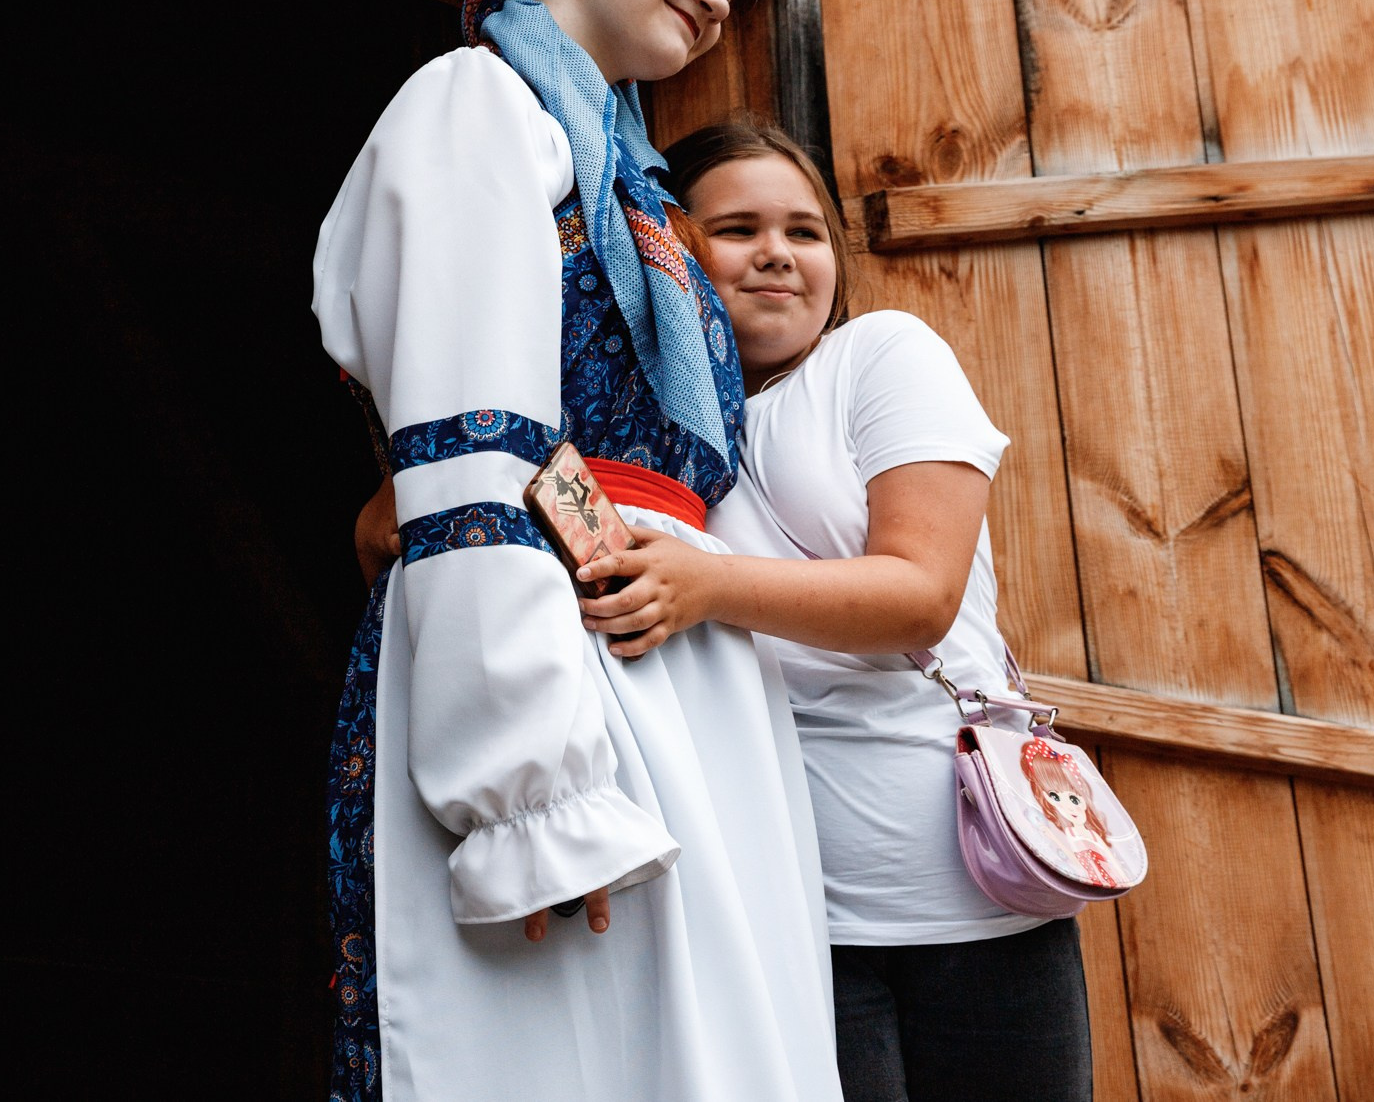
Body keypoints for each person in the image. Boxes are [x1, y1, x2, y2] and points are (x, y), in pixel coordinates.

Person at [357, 121, 1093, 1102]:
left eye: (806, 230)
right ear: (669, 256)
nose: (779, 252)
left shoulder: (879, 356)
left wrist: (706, 584)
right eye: (738, 227)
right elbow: (392, 525)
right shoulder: (649, 451)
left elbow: (919, 594)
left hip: (978, 901)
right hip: (783, 916)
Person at [314, 0, 840, 1102]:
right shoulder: (473, 105)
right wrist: (527, 791)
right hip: (556, 660)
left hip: (677, 668)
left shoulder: (639, 195)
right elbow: (472, 443)